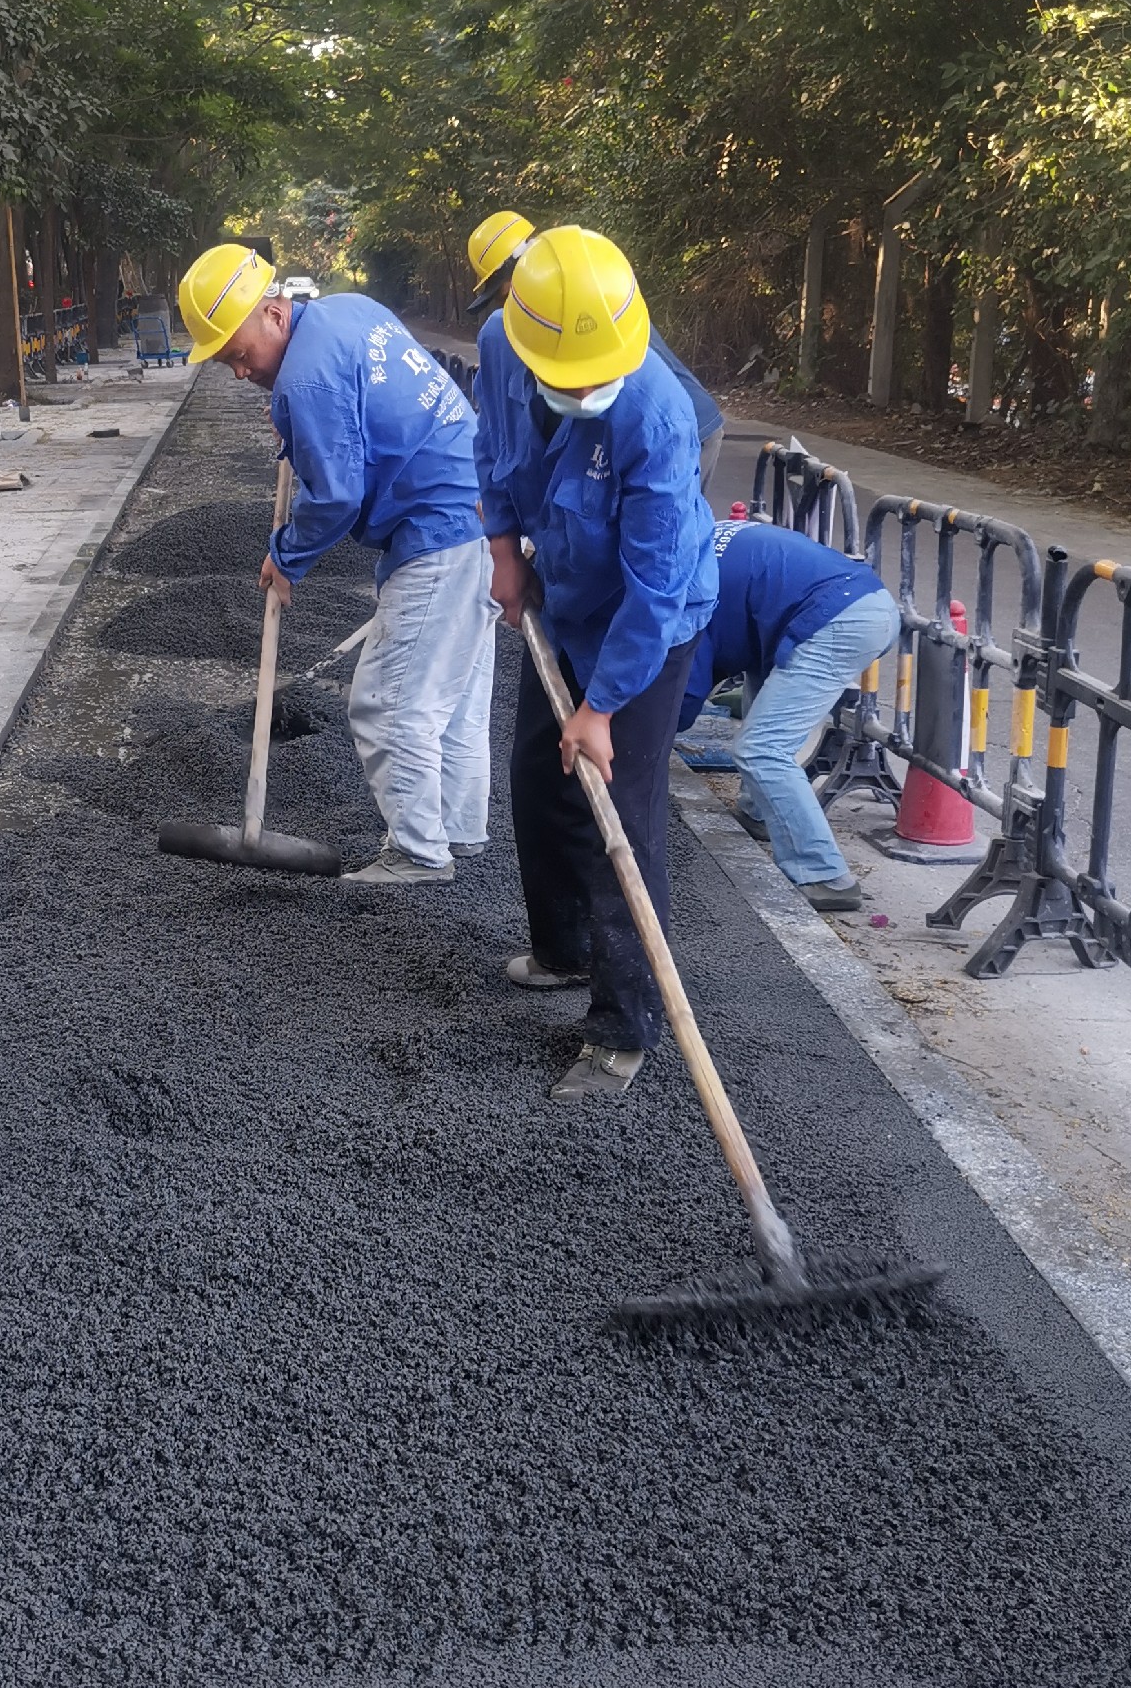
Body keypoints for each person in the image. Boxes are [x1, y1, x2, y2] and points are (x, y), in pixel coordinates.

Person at [477, 224, 717, 1097]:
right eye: (567, 377)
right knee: (540, 777)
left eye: (599, 376)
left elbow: (654, 588)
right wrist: (503, 547)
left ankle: (622, 1027)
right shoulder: (503, 344)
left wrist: (603, 708)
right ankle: (560, 952)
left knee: (621, 809)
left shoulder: (657, 411)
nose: (587, 388)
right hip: (565, 598)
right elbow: (494, 453)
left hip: (652, 623)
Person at [178, 243, 492, 885]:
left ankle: (418, 856)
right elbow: (359, 413)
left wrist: (286, 556)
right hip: (481, 512)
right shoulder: (346, 312)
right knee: (452, 701)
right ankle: (460, 834)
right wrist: (298, 429)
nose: (239, 373)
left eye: (238, 355)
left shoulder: (307, 377)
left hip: (436, 529)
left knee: (389, 703)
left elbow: (338, 495)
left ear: (271, 312)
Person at [679, 518, 900, 913]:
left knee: (762, 749)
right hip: (837, 604)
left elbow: (685, 690)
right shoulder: (693, 536)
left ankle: (825, 876)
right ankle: (760, 812)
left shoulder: (680, 583)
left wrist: (632, 737)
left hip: (837, 618)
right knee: (760, 703)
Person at [465, 209, 727, 485]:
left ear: (521, 269)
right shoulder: (557, 305)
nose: (509, 312)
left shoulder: (581, 299)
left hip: (686, 429)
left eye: (506, 297)